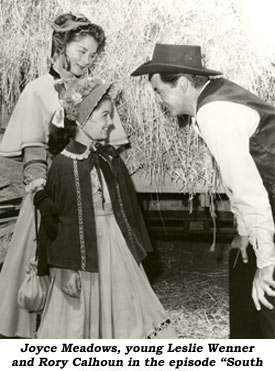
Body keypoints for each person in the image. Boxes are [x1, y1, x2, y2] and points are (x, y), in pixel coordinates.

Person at [131, 43, 275, 338]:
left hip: (268, 196)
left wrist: (268, 265)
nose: (161, 101)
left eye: (160, 91)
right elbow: (237, 178)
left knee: (267, 292)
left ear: (182, 83)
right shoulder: (214, 97)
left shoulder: (215, 113)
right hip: (268, 194)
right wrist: (245, 231)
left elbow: (251, 193)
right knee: (244, 268)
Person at [0, 12, 127, 338]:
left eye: (93, 54)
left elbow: (105, 145)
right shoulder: (38, 90)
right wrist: (41, 192)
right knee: (46, 265)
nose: (87, 60)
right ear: (61, 46)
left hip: (91, 198)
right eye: (81, 51)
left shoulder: (93, 89)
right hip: (53, 193)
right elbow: (34, 152)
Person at [34, 77, 177, 338]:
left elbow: (127, 209)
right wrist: (66, 269)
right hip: (82, 251)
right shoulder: (64, 165)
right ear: (82, 119)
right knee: (79, 319)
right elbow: (56, 222)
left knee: (125, 308)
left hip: (115, 244)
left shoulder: (108, 158)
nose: (110, 123)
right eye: (104, 116)